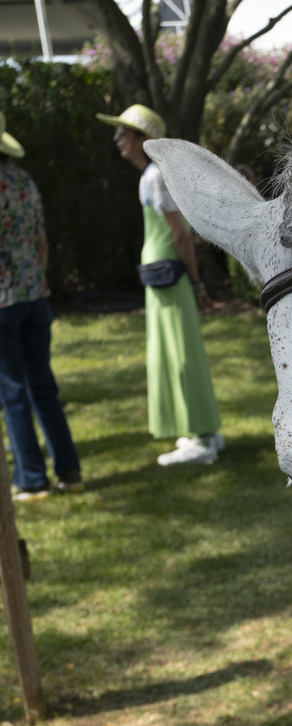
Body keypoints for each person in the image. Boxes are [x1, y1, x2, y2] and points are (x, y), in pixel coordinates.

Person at [96, 104, 223, 466]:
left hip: (171, 278)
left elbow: (180, 236)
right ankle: (203, 432)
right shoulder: (150, 176)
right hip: (163, 278)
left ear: (142, 138)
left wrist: (197, 284)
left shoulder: (155, 176)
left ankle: (202, 439)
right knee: (175, 352)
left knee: (181, 354)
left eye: (123, 132)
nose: (117, 139)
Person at [0, 111, 82, 500]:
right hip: (35, 296)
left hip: (2, 303)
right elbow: (41, 244)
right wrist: (34, 280)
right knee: (42, 386)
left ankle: (31, 479)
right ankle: (69, 471)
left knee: (12, 390)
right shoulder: (24, 182)